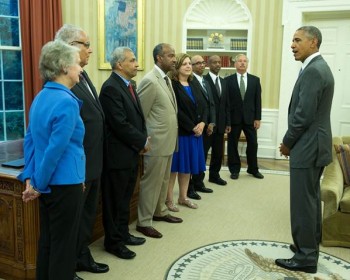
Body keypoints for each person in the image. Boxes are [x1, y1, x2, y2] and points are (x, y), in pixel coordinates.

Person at [18, 40, 85, 280]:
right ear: (64, 67)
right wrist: (37, 184)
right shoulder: (66, 101)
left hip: (46, 184)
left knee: (47, 242)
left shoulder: (41, 97)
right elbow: (54, 151)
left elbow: (30, 141)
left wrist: (31, 178)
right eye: (78, 63)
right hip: (64, 185)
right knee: (64, 249)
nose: (81, 69)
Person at [275, 26, 334, 273]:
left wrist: (287, 142)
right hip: (314, 144)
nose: (292, 45)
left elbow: (303, 115)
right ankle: (307, 246)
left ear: (314, 42)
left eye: (297, 40)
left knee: (303, 202)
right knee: (309, 200)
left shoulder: (314, 70)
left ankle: (306, 257)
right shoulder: (317, 67)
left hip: (307, 146)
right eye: (292, 40)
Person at [55, 24, 109, 277]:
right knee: (73, 222)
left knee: (87, 217)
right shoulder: (61, 80)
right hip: (77, 165)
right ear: (69, 47)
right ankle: (69, 266)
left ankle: (82, 256)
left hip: (93, 161)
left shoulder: (83, 75)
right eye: (85, 44)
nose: (90, 49)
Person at [99, 47, 149, 259]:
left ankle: (124, 233)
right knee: (115, 202)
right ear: (120, 64)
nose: (137, 64)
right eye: (132, 60)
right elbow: (119, 123)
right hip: (118, 156)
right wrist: (142, 141)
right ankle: (113, 242)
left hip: (131, 153)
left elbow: (137, 117)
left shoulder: (130, 85)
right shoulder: (110, 87)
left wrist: (142, 140)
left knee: (126, 198)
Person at [136, 43, 182, 239]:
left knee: (163, 180)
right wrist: (143, 142)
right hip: (155, 143)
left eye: (174, 55)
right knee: (151, 183)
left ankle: (160, 211)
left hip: (168, 141)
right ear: (158, 58)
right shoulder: (150, 80)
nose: (174, 59)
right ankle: (144, 222)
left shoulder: (166, 79)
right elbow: (140, 115)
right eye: (170, 55)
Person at [165, 53, 207, 211]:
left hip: (196, 133)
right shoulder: (172, 85)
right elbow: (176, 110)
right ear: (177, 68)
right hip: (181, 133)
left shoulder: (194, 82)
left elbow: (204, 104)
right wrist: (192, 127)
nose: (189, 66)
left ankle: (183, 197)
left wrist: (202, 123)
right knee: (174, 168)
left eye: (190, 63)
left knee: (187, 167)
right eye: (185, 64)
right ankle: (169, 200)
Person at [225, 54, 264, 180]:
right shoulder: (227, 80)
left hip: (250, 118)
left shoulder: (255, 80)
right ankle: (234, 170)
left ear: (247, 64)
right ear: (235, 64)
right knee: (232, 145)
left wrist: (258, 118)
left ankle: (253, 169)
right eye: (239, 61)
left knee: (253, 144)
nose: (242, 63)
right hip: (233, 119)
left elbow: (258, 100)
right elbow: (226, 103)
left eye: (244, 61)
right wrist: (227, 122)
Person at [187, 55, 216, 200]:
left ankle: (199, 182)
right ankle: (189, 186)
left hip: (207, 125)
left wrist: (211, 123)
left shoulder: (205, 81)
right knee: (193, 158)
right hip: (195, 126)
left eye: (202, 62)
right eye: (197, 63)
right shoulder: (189, 81)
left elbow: (210, 104)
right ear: (191, 66)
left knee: (202, 156)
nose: (201, 65)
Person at [204, 55, 231, 185]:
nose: (218, 65)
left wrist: (228, 123)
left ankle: (214, 176)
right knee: (203, 154)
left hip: (221, 125)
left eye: (219, 62)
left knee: (218, 153)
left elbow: (227, 104)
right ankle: (198, 180)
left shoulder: (224, 81)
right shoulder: (203, 80)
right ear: (208, 65)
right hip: (208, 125)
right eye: (214, 62)